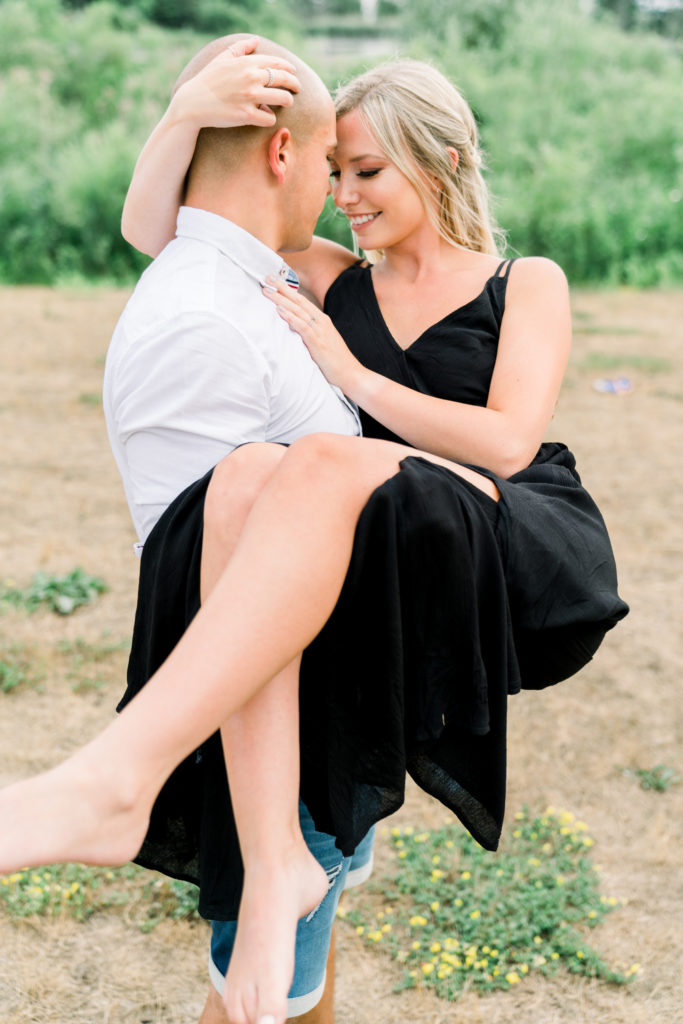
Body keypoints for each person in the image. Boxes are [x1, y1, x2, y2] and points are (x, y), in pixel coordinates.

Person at [0, 37, 629, 1024]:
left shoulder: (523, 282)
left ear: (444, 158)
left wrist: (352, 373)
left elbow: (506, 441)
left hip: (506, 532)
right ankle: (260, 854)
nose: (345, 194)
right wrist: (184, 113)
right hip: (377, 538)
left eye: (368, 169)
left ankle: (121, 775)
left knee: (314, 462)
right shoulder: (336, 271)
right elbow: (168, 226)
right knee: (253, 476)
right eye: (334, 170)